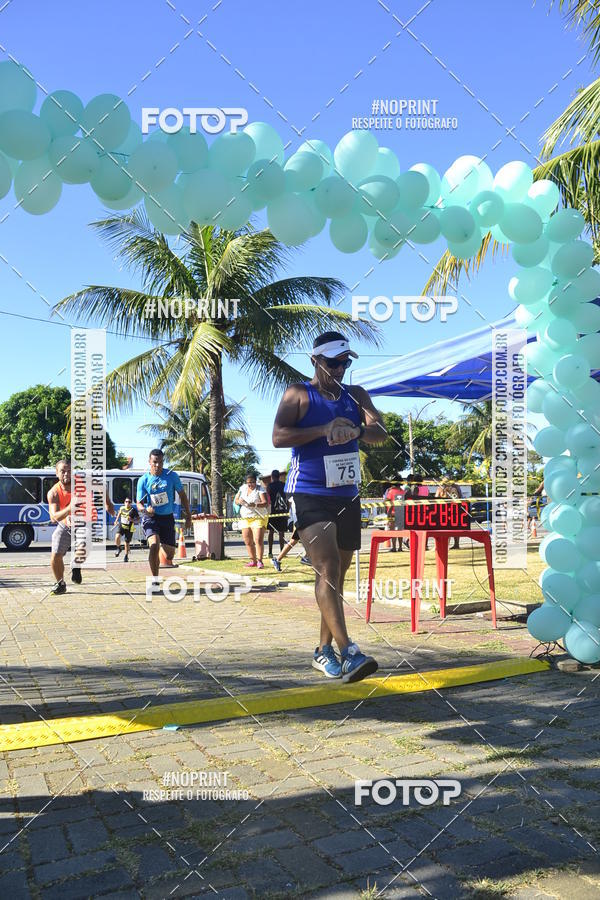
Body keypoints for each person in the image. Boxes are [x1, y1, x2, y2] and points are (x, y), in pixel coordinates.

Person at [273, 330, 386, 683]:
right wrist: (324, 429)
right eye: (333, 362)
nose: (339, 369)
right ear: (315, 361)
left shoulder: (356, 395)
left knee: (335, 577)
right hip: (309, 490)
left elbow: (380, 431)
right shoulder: (298, 394)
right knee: (327, 566)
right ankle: (349, 651)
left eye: (345, 362)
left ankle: (323, 652)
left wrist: (356, 431)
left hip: (346, 493)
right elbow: (278, 436)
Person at [47, 459, 115, 595]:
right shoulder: (53, 492)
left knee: (84, 546)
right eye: (62, 471)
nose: (66, 474)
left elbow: (102, 486)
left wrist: (108, 504)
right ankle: (60, 583)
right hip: (65, 524)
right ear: (56, 473)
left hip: (86, 521)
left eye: (69, 471)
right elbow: (54, 517)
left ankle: (76, 565)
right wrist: (69, 509)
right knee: (55, 554)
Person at [136, 449, 192, 592]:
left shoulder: (171, 476)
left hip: (167, 518)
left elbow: (183, 495)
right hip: (151, 518)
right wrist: (145, 510)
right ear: (149, 462)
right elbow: (139, 503)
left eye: (160, 462)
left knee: (169, 555)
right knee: (154, 545)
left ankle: (161, 543)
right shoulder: (144, 480)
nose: (158, 465)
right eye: (155, 462)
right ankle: (155, 581)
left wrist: (188, 515)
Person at [234, 471, 269, 568]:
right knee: (247, 540)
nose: (250, 485)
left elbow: (265, 503)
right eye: (248, 482)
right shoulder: (242, 488)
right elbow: (236, 500)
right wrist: (240, 501)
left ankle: (260, 561)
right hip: (245, 517)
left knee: (258, 539)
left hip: (258, 517)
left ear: (256, 481)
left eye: (252, 482)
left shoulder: (260, 489)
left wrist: (255, 505)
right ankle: (252, 560)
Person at [436, 479, 462, 550]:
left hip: (446, 510)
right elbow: (459, 497)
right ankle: (455, 544)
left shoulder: (441, 488)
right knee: (452, 527)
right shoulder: (454, 488)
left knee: (447, 528)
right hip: (452, 509)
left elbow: (435, 498)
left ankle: (451, 544)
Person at [266, 470, 288, 558]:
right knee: (281, 532)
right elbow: (287, 498)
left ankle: (270, 552)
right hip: (282, 510)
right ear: (279, 476)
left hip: (272, 511)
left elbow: (267, 499)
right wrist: (287, 510)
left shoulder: (269, 486)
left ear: (272, 477)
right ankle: (282, 551)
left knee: (270, 532)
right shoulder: (284, 485)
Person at [113, 496, 139, 562]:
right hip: (122, 526)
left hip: (129, 528)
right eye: (126, 502)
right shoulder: (122, 508)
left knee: (126, 543)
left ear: (131, 503)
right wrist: (116, 520)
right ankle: (119, 548)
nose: (127, 503)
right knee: (117, 537)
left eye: (129, 502)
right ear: (124, 503)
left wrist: (132, 520)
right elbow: (119, 513)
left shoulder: (133, 510)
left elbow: (138, 520)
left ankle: (126, 556)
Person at [383, 481, 405, 551]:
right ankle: (400, 547)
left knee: (393, 530)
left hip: (392, 512)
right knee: (400, 531)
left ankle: (394, 547)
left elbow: (387, 500)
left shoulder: (391, 491)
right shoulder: (402, 491)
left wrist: (384, 501)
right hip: (400, 512)